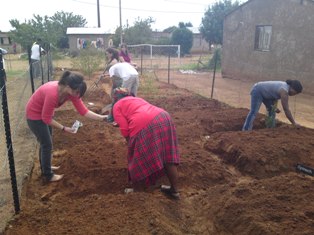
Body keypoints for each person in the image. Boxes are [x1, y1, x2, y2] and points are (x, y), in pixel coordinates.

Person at [26, 70, 108, 182]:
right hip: (34, 116)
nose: (78, 96)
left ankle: (46, 166)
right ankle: (48, 175)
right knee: (46, 144)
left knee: (46, 142)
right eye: (77, 92)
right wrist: (64, 128)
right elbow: (46, 119)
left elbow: (83, 111)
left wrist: (102, 118)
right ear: (69, 87)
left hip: (44, 115)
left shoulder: (72, 92)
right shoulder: (52, 93)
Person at [112, 88, 180, 199]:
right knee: (168, 156)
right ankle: (174, 190)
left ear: (115, 98)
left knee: (136, 160)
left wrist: (132, 147)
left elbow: (125, 131)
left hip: (145, 124)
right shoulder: (136, 99)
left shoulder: (117, 105)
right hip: (164, 117)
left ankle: (137, 191)